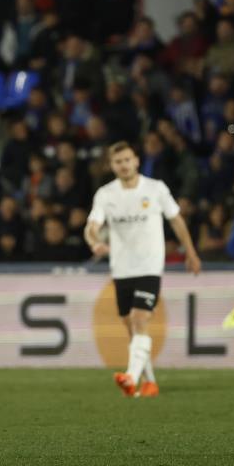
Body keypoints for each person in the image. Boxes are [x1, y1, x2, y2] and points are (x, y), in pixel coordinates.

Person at [84, 141, 201, 399]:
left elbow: (177, 220)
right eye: (118, 161)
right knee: (132, 328)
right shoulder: (106, 194)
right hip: (122, 269)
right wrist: (94, 241)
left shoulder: (155, 189)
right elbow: (92, 225)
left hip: (149, 266)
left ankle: (131, 377)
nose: (124, 165)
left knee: (139, 320)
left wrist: (190, 252)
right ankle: (149, 383)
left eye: (127, 160)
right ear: (111, 165)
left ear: (136, 160)